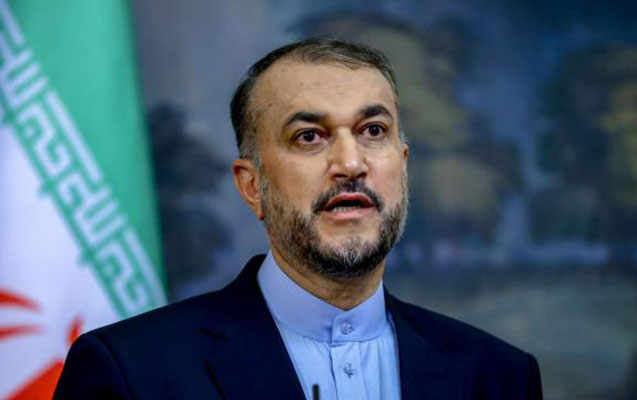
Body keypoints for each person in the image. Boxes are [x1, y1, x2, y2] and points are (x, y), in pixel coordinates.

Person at [54, 38, 543, 399]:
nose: (351, 163)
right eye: (309, 136)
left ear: (403, 164)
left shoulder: (499, 376)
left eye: (373, 130)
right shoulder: (129, 372)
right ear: (252, 186)